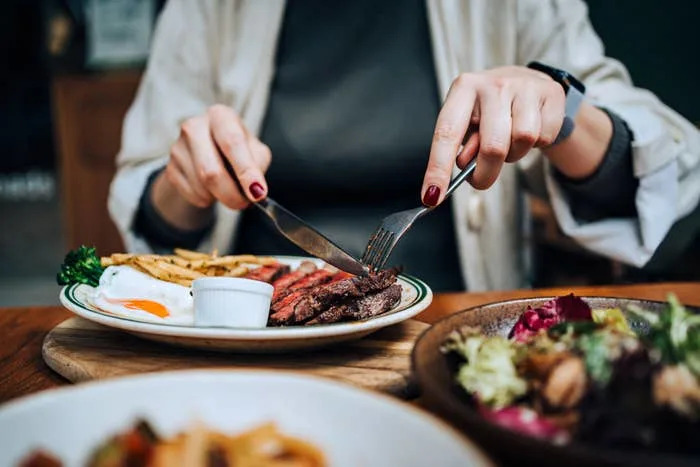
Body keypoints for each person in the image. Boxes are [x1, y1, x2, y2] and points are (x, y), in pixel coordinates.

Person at [109, 0, 700, 292]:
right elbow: (153, 225)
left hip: (452, 334)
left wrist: (561, 111)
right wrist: (184, 183)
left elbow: (665, 176)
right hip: (246, 337)